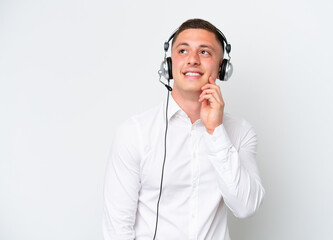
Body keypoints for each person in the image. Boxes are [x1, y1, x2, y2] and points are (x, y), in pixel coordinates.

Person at [103, 18, 265, 240]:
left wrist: (216, 131)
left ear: (222, 68)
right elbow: (117, 230)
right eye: (182, 51)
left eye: (205, 52)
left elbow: (245, 207)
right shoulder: (134, 133)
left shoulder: (241, 132)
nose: (192, 60)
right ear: (168, 64)